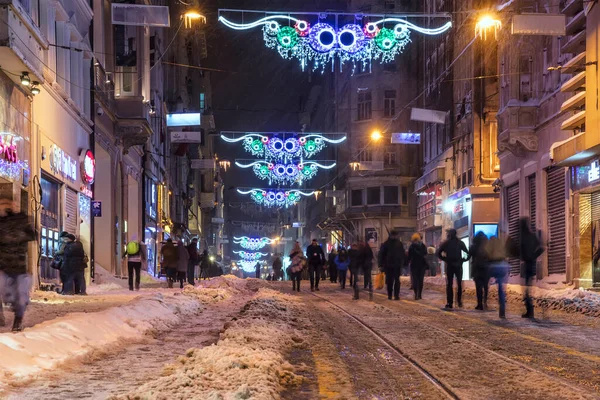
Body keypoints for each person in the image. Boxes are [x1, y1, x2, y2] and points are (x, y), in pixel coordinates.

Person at [0, 198, 36, 332]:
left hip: (18, 266)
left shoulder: (21, 220)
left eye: (6, 204)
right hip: (2, 266)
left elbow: (32, 236)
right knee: (5, 293)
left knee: (20, 297)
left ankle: (18, 320)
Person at [436, 229, 469, 309]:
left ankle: (449, 302)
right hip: (458, 265)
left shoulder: (446, 243)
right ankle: (459, 301)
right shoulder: (460, 243)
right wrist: (463, 260)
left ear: (449, 234)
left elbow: (438, 253)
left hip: (450, 265)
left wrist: (444, 259)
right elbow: (468, 252)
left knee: (449, 284)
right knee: (459, 284)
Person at [519, 218, 544, 318]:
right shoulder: (532, 236)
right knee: (527, 289)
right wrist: (533, 256)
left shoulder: (524, 237)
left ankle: (530, 311)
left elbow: (521, 253)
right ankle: (529, 310)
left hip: (528, 265)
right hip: (531, 264)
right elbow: (540, 248)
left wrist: (529, 257)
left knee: (526, 290)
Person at [378, 230, 405, 300]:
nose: (395, 236)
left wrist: (403, 262)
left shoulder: (399, 244)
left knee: (397, 281)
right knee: (390, 281)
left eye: (396, 235)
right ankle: (390, 295)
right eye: (394, 235)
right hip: (388, 265)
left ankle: (396, 295)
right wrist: (380, 265)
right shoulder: (386, 244)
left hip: (396, 265)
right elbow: (381, 255)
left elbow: (402, 254)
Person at [486, 235, 509, 319]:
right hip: (503, 266)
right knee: (501, 289)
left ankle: (486, 297)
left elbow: (487, 255)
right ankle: (502, 311)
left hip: (494, 266)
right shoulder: (502, 244)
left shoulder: (489, 244)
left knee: (488, 280)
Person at [470, 232, 490, 310]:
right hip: (486, 268)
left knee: (478, 287)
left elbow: (469, 256)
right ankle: (485, 302)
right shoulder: (487, 246)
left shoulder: (473, 247)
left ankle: (479, 304)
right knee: (485, 286)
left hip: (477, 268)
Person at [408, 233, 428, 300]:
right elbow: (425, 254)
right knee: (421, 280)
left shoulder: (411, 246)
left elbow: (409, 256)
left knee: (415, 280)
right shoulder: (423, 246)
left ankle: (416, 294)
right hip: (422, 265)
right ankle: (420, 295)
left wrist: (406, 262)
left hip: (414, 265)